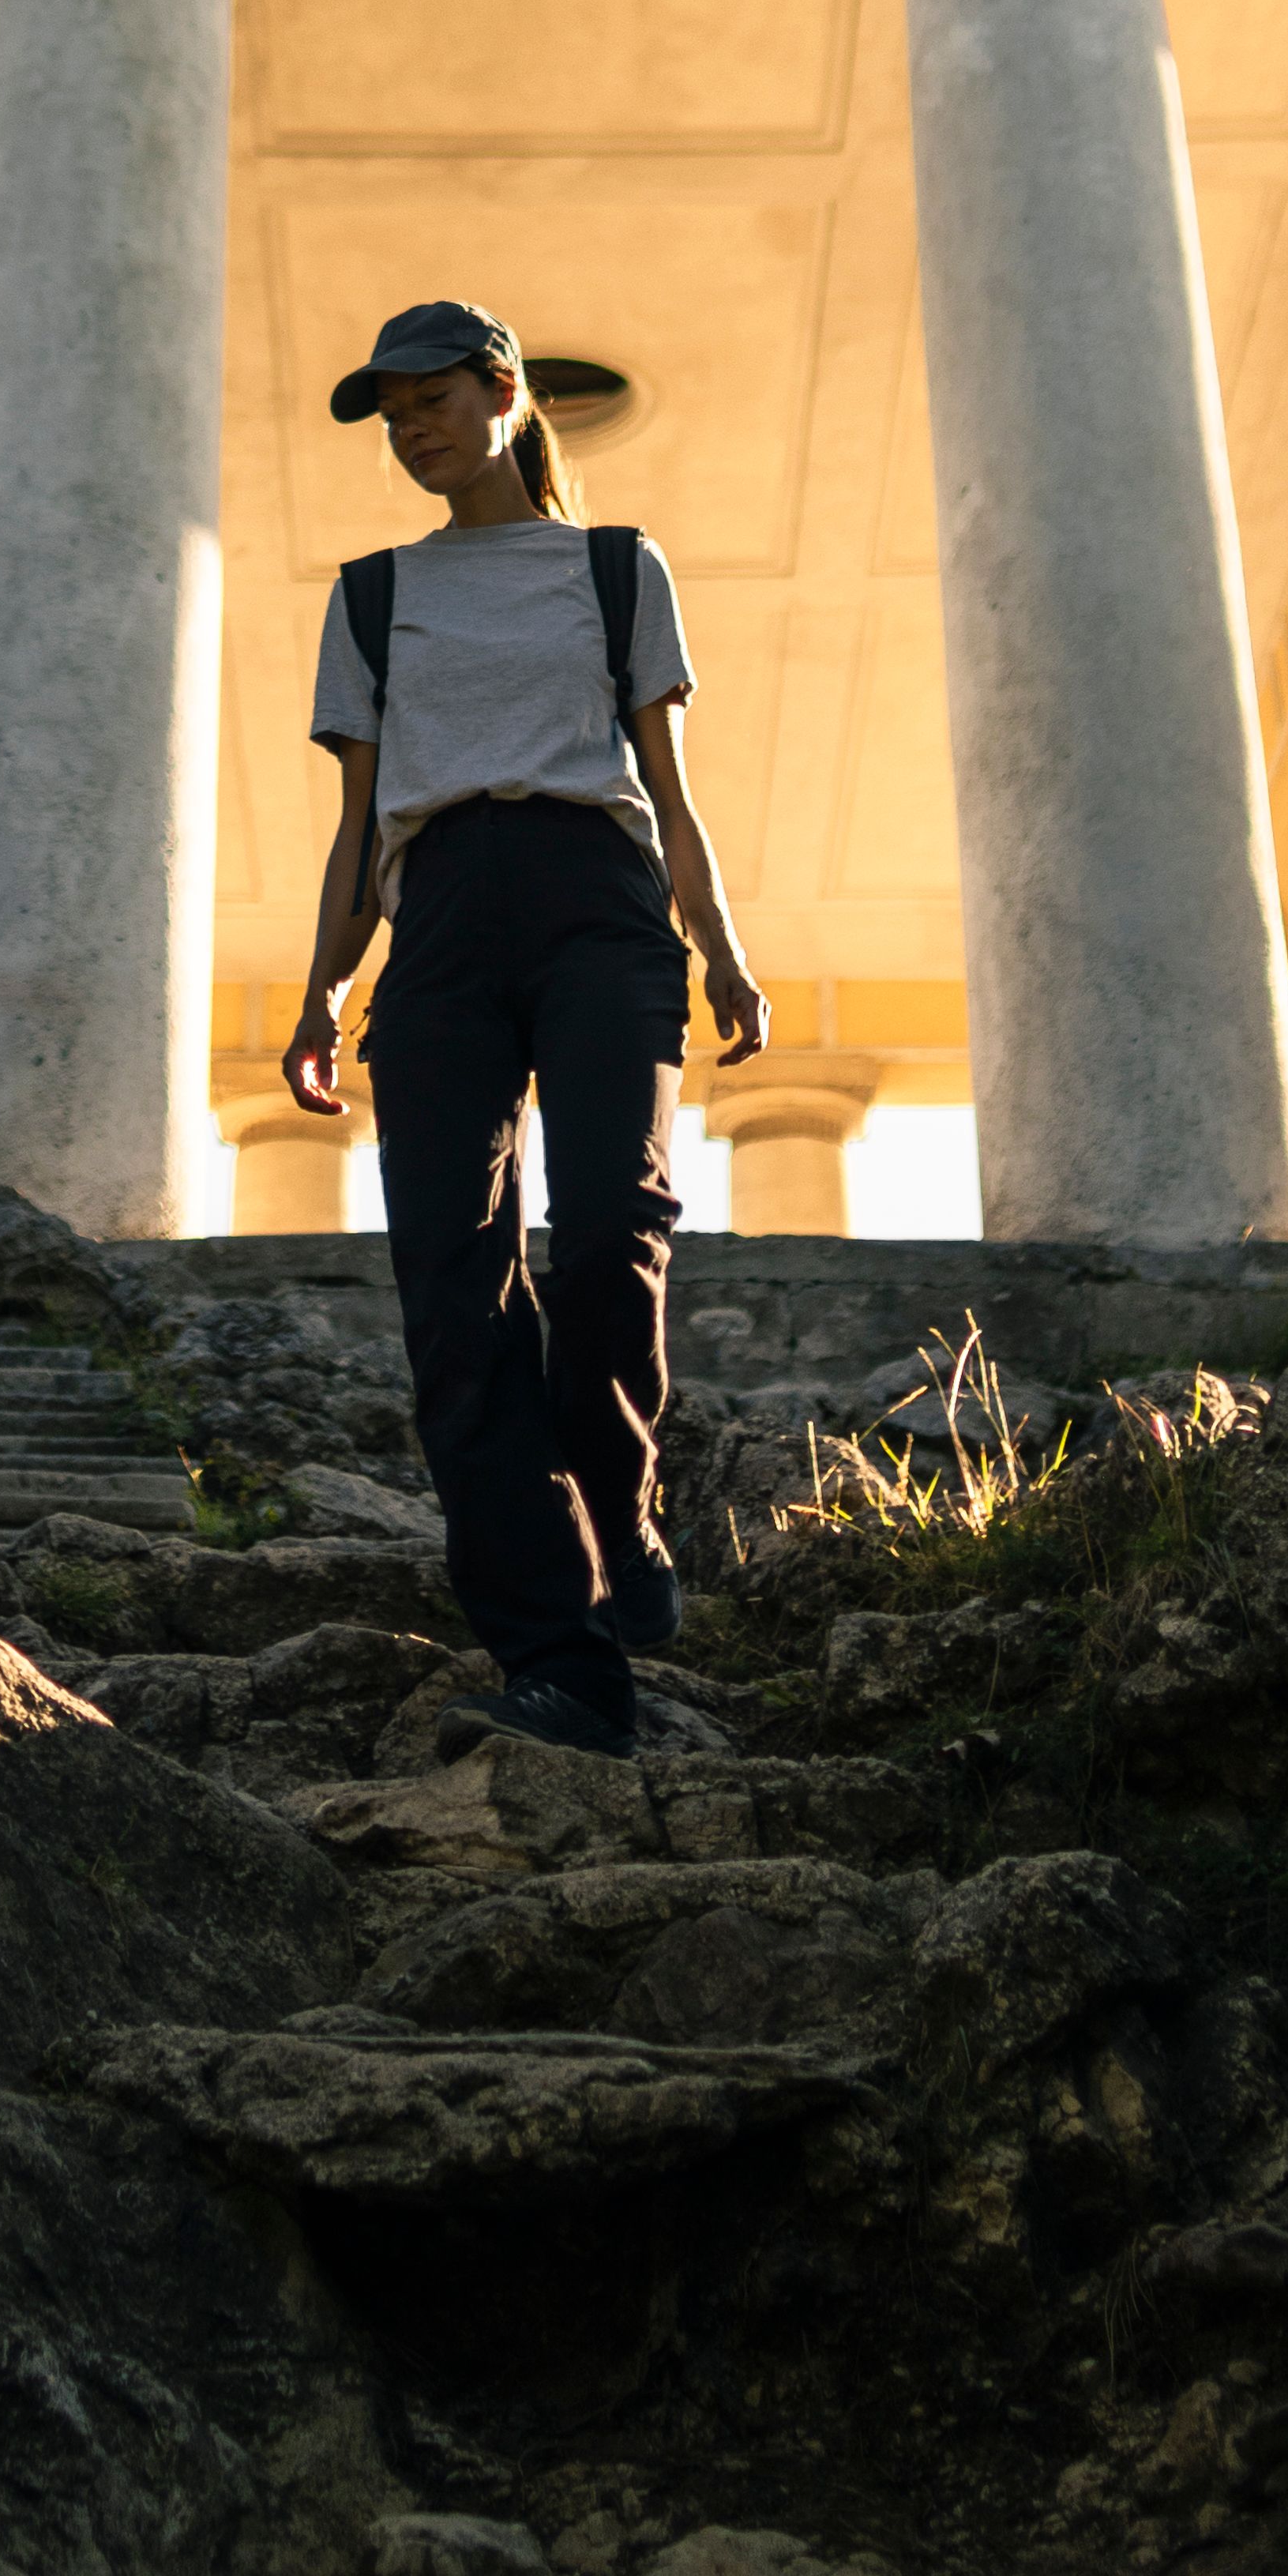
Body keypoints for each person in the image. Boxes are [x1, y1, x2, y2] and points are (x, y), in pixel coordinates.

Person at [286, 297, 768, 1759]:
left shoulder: (617, 572)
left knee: (619, 1219)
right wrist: (321, 986)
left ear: (505, 392)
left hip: (598, 902)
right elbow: (360, 819)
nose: (409, 430)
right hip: (436, 921)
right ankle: (557, 1656)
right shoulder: (372, 595)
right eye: (389, 415)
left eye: (429, 399)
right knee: (453, 1284)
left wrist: (723, 949)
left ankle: (617, 1508)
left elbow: (667, 796)